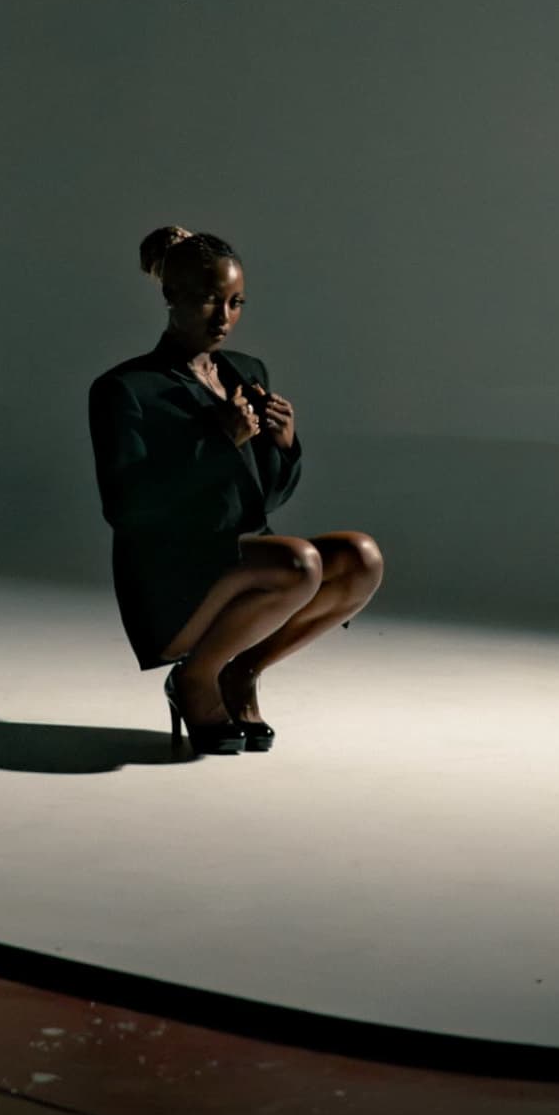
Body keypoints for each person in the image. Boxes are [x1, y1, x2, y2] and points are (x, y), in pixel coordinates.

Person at [85, 225, 388, 754]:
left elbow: (261, 501)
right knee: (299, 562)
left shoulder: (246, 372)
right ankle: (194, 679)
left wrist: (284, 446)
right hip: (171, 575)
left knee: (361, 558)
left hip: (244, 559)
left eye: (235, 302)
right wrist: (217, 441)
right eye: (207, 300)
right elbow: (125, 508)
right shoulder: (126, 389)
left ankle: (241, 671)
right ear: (170, 296)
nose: (223, 317)